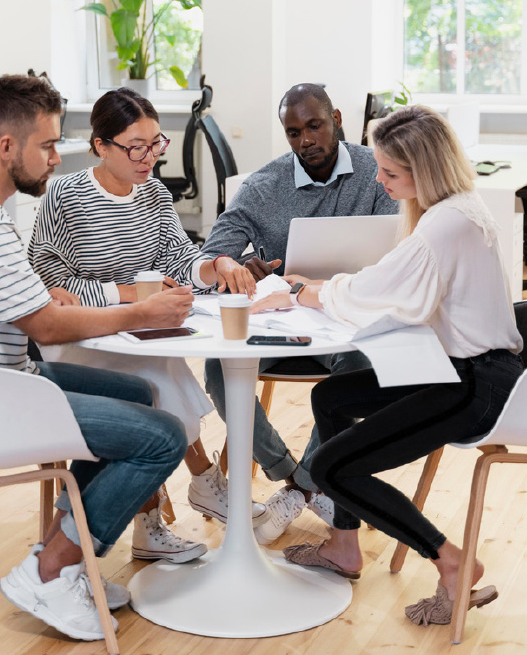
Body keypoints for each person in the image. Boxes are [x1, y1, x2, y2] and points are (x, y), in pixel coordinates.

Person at [0, 74, 195, 642]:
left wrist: (49, 297)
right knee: (162, 435)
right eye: (46, 145)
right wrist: (138, 313)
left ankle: (69, 561)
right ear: (7, 147)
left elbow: (30, 302)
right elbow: (43, 324)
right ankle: (50, 568)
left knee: (139, 393)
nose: (54, 157)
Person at [251, 104, 523, 625]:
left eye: (391, 173)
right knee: (331, 396)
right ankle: (344, 546)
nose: (379, 179)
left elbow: (372, 288)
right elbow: (391, 287)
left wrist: (301, 291)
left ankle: (453, 563)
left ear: (427, 170)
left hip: (477, 387)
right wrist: (324, 293)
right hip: (464, 369)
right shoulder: (459, 207)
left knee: (333, 468)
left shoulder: (446, 225)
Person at [28, 87, 263, 563]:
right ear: (101, 146)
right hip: (78, 336)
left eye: (156, 144)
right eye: (136, 146)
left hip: (135, 332)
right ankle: (200, 487)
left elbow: (179, 258)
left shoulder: (154, 194)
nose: (150, 157)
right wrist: (132, 295)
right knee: (156, 373)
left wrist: (216, 266)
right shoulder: (65, 196)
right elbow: (48, 282)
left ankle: (159, 517)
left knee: (159, 365)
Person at [202, 83, 398, 543]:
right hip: (283, 324)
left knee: (357, 371)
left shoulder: (377, 172)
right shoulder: (264, 186)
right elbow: (213, 256)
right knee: (217, 370)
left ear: (337, 120)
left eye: (314, 126)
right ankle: (295, 477)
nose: (305, 140)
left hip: (348, 323)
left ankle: (302, 486)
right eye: (293, 133)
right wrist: (234, 264)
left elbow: (393, 257)